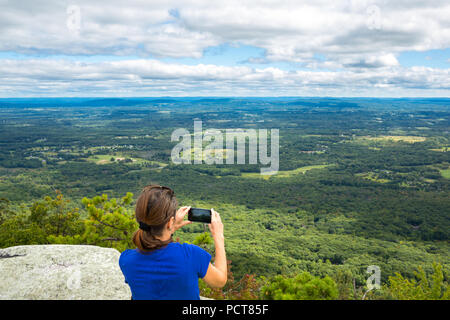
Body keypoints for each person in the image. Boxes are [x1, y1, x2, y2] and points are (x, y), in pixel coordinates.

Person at [119, 184, 227, 300]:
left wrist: (170, 228)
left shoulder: (126, 260)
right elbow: (219, 281)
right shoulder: (191, 255)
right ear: (170, 221)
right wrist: (218, 236)